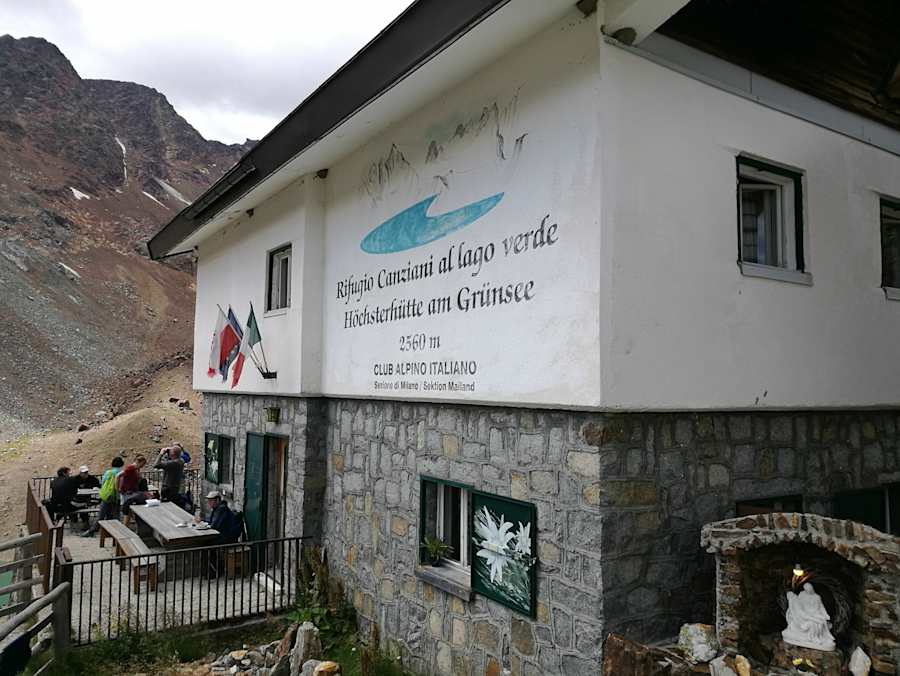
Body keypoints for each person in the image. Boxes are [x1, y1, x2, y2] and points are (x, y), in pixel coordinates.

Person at [81, 457, 124, 537]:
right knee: (115, 515)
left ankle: (92, 531)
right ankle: (115, 532)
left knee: (101, 515)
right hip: (116, 497)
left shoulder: (108, 472)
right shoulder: (122, 473)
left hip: (106, 496)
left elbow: (103, 482)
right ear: (122, 464)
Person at [117, 455, 148, 523]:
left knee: (129, 511)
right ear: (138, 462)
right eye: (142, 464)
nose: (143, 466)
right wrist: (118, 488)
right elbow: (118, 476)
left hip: (132, 492)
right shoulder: (130, 468)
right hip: (127, 492)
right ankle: (125, 526)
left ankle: (129, 524)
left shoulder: (136, 469)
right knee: (127, 511)